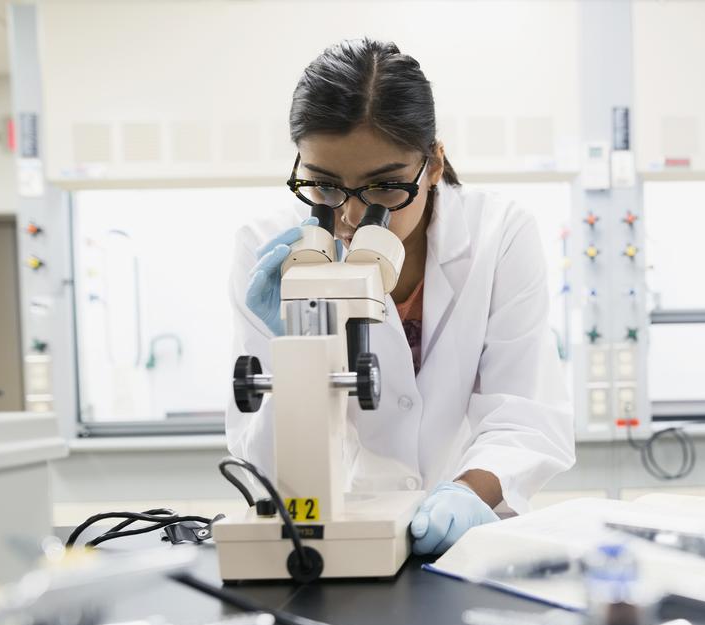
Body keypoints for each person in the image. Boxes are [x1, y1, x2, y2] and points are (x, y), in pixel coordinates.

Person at [226, 38, 573, 556]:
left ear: (433, 164)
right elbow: (264, 465)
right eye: (323, 186)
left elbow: (523, 411)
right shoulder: (271, 252)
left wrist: (464, 493)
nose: (347, 216)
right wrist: (297, 355)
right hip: (334, 533)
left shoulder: (499, 233)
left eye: (384, 187)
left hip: (469, 535)